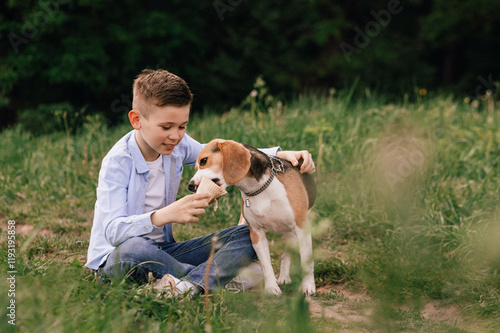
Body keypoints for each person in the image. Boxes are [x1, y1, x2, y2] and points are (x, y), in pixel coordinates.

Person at [85, 69, 315, 297]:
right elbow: (112, 232)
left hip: (166, 252)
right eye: (166, 127)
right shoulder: (118, 162)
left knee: (246, 235)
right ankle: (207, 278)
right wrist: (165, 214)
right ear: (136, 120)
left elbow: (222, 154)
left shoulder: (176, 145)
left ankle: (183, 284)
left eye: (182, 126)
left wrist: (278, 155)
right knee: (134, 248)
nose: (175, 136)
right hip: (117, 258)